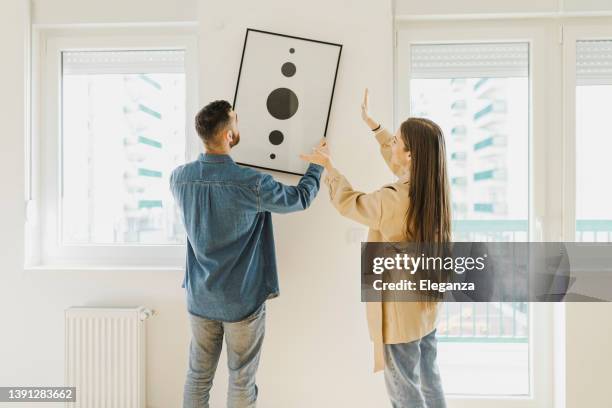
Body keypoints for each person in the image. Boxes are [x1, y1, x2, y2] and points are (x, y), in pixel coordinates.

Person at [301, 89, 450, 408]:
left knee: (404, 392)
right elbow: (398, 164)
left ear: (410, 155)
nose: (392, 145)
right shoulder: (432, 186)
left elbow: (351, 203)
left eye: (396, 141)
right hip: (425, 304)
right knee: (429, 379)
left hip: (400, 309)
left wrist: (329, 167)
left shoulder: (395, 198)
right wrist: (373, 126)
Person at [170, 100, 324, 408]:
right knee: (241, 379)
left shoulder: (179, 178)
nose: (239, 127)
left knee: (197, 377)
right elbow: (301, 198)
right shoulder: (250, 183)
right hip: (241, 300)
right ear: (228, 135)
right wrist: (317, 164)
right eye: (236, 122)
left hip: (200, 297)